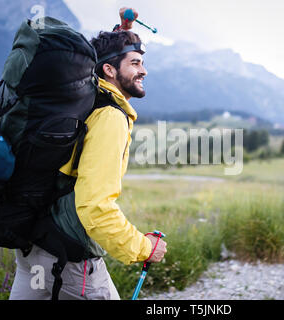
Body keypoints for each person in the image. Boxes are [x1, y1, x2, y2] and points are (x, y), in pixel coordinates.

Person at [9, 16, 167, 300]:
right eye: (135, 63)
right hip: (69, 259)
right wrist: (144, 248)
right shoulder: (110, 117)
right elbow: (95, 207)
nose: (143, 70)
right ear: (108, 69)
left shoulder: (81, 100)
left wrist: (123, 35)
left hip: (33, 245)